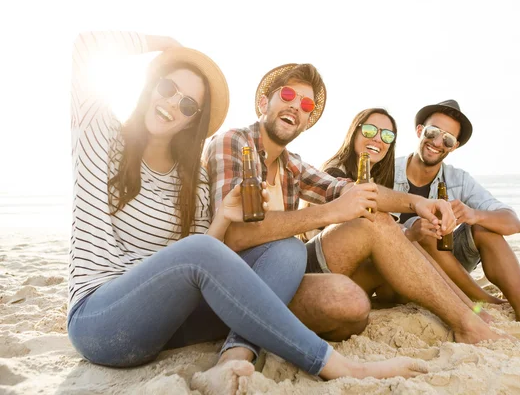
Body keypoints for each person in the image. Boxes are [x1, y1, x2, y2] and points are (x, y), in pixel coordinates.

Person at [67, 31, 430, 395]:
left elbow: (197, 261)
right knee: (207, 249)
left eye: (189, 105)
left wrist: (223, 217)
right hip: (100, 321)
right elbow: (85, 48)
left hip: (164, 326)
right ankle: (338, 366)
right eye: (167, 88)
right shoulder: (100, 135)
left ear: (193, 120)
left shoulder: (189, 179)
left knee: (286, 248)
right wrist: (170, 46)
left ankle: (233, 357)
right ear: (149, 86)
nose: (173, 104)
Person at [204, 64, 510, 371]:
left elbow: (352, 191)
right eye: (287, 95)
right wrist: (330, 212)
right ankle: (469, 319)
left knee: (356, 293)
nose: (296, 107)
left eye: (306, 104)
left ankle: (467, 319)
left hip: (289, 267)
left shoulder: (293, 164)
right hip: (238, 277)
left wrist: (417, 202)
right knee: (360, 260)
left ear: (308, 121)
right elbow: (236, 235)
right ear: (263, 103)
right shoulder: (234, 142)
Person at [314, 107, 496, 323]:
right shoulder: (334, 175)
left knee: (416, 237)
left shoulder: (376, 176)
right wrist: (415, 213)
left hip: (361, 275)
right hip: (327, 274)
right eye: (370, 130)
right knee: (408, 237)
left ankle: (469, 306)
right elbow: (359, 217)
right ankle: (470, 307)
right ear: (355, 131)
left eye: (387, 135)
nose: (378, 139)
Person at [393, 99, 520, 325]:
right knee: (426, 227)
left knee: (485, 227)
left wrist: (473, 215)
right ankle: (488, 300)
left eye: (447, 138)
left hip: (447, 266)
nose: (437, 142)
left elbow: (513, 223)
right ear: (419, 131)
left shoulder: (458, 179)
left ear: (453, 146)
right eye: (432, 132)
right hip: (398, 266)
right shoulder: (388, 170)